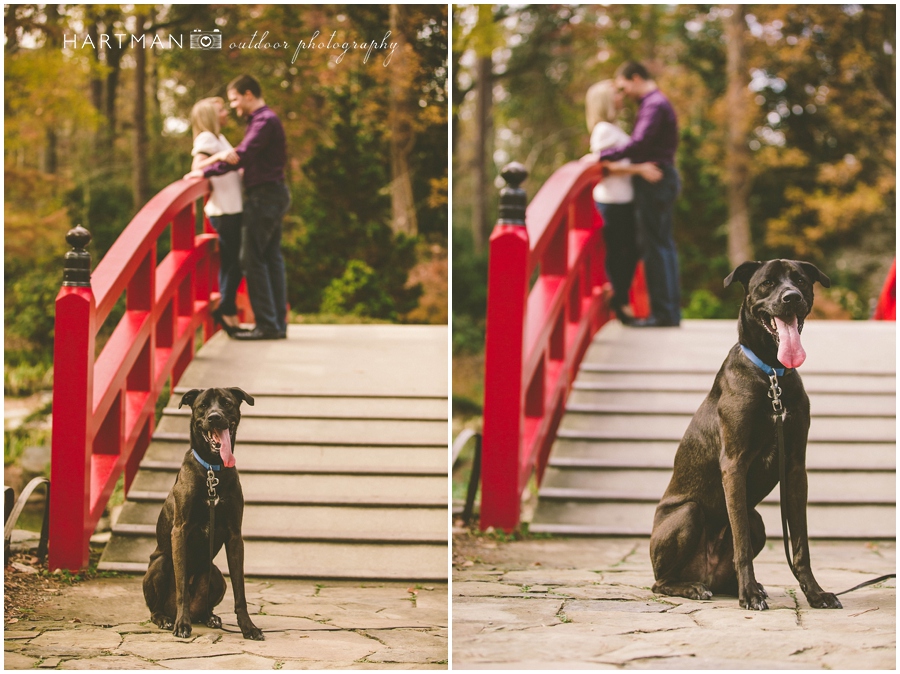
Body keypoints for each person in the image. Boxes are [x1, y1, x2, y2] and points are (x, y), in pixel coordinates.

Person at [186, 74, 290, 341]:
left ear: (248, 94)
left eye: (233, 99)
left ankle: (268, 325)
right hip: (269, 195)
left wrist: (207, 170)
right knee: (269, 258)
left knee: (252, 259)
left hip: (264, 197)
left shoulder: (263, 121)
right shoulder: (259, 121)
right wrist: (209, 167)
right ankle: (276, 323)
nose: (232, 106)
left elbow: (242, 156)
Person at [596, 61, 682, 328]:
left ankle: (664, 314)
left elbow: (640, 143)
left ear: (635, 78)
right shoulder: (656, 103)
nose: (623, 93)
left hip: (656, 180)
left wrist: (602, 156)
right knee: (663, 245)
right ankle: (669, 312)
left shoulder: (653, 105)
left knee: (656, 247)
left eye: (623, 86)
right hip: (661, 177)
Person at [585, 80, 663, 325]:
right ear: (605, 101)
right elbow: (604, 166)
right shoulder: (604, 130)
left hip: (623, 200)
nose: (621, 97)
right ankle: (619, 302)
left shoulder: (612, 128)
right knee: (623, 252)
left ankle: (620, 299)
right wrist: (639, 170)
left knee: (629, 250)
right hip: (613, 200)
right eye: (615, 94)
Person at [189, 97, 243, 337]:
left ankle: (227, 310)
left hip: (232, 208)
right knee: (235, 262)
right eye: (221, 110)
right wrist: (219, 158)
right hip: (225, 209)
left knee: (235, 262)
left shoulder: (218, 137)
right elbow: (196, 168)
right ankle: (227, 311)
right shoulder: (206, 138)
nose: (226, 112)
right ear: (211, 116)